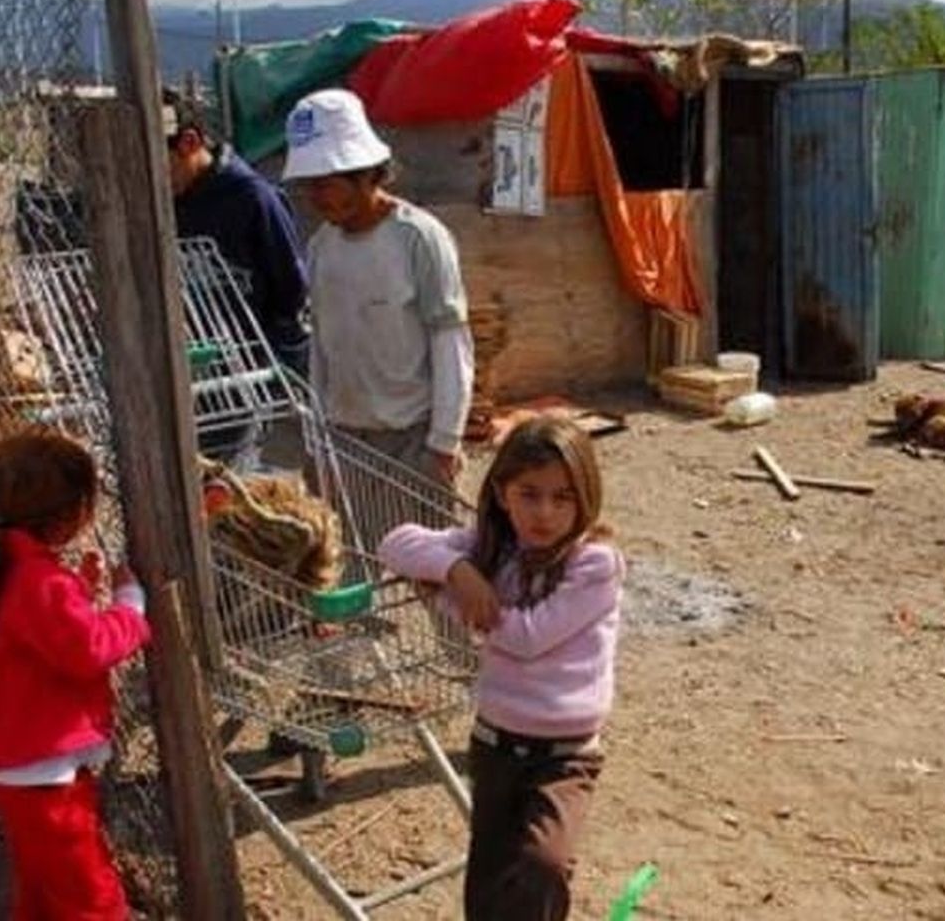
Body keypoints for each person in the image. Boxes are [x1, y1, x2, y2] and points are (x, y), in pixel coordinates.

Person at [378, 415, 621, 921]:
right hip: (495, 743)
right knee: (489, 879)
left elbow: (527, 637)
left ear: (585, 498)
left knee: (543, 866)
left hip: (566, 754)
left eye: (562, 497)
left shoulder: (594, 564)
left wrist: (446, 598)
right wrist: (456, 569)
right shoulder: (491, 546)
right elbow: (395, 543)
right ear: (501, 492)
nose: (544, 512)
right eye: (529, 494)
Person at [0, 429, 151, 920]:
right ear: (72, 515)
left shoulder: (4, 561)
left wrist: (80, 594)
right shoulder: (39, 580)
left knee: (41, 890)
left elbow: (38, 635)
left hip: (19, 762)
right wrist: (129, 605)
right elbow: (88, 649)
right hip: (44, 773)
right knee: (90, 898)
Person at [281, 88, 473, 486]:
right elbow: (321, 347)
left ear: (367, 173)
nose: (317, 196)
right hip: (344, 441)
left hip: (412, 439)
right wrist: (318, 438)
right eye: (310, 185)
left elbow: (450, 340)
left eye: (327, 183)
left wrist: (444, 441)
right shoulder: (321, 248)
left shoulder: (419, 238)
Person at [164, 90, 312, 377]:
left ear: (189, 143)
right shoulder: (164, 204)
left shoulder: (251, 198)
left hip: (265, 369)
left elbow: (291, 289)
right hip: (206, 368)